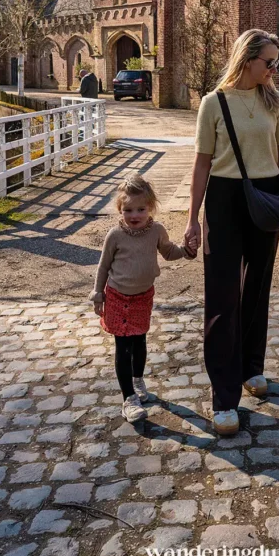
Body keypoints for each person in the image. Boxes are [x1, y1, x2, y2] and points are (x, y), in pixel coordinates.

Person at [185, 29, 279, 436]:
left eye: (275, 63)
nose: (273, 69)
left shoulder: (275, 103)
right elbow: (201, 164)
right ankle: (223, 396)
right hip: (225, 199)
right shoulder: (213, 103)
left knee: (257, 288)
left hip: (266, 196)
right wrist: (192, 217)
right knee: (222, 297)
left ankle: (252, 367)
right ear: (246, 59)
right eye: (268, 62)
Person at [91, 171, 197, 422]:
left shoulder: (156, 230)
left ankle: (137, 381)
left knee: (139, 341)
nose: (134, 215)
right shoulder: (115, 235)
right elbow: (103, 265)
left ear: (150, 208)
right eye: (128, 210)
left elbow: (169, 252)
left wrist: (187, 251)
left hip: (142, 296)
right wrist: (97, 293)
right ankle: (128, 398)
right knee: (122, 346)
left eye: (140, 209)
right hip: (116, 296)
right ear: (120, 209)